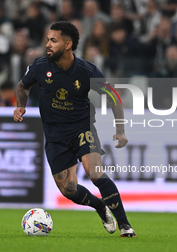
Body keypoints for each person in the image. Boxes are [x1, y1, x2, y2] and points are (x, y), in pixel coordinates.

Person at [13, 21, 136, 238]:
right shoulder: (40, 67)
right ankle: (100, 207)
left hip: (81, 127)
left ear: (68, 44)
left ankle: (125, 226)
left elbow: (113, 97)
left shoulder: (87, 71)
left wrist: (120, 129)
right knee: (68, 189)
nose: (47, 44)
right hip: (54, 134)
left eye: (53, 40)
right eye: (47, 39)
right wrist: (20, 105)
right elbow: (23, 86)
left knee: (94, 172)